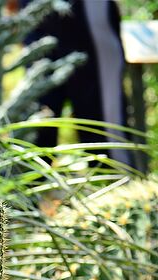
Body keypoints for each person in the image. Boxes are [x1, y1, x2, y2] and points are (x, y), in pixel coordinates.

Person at [14, 0, 133, 167]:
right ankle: (28, 187)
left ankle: (116, 180)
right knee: (36, 124)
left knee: (104, 132)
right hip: (36, 15)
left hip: (88, 17)